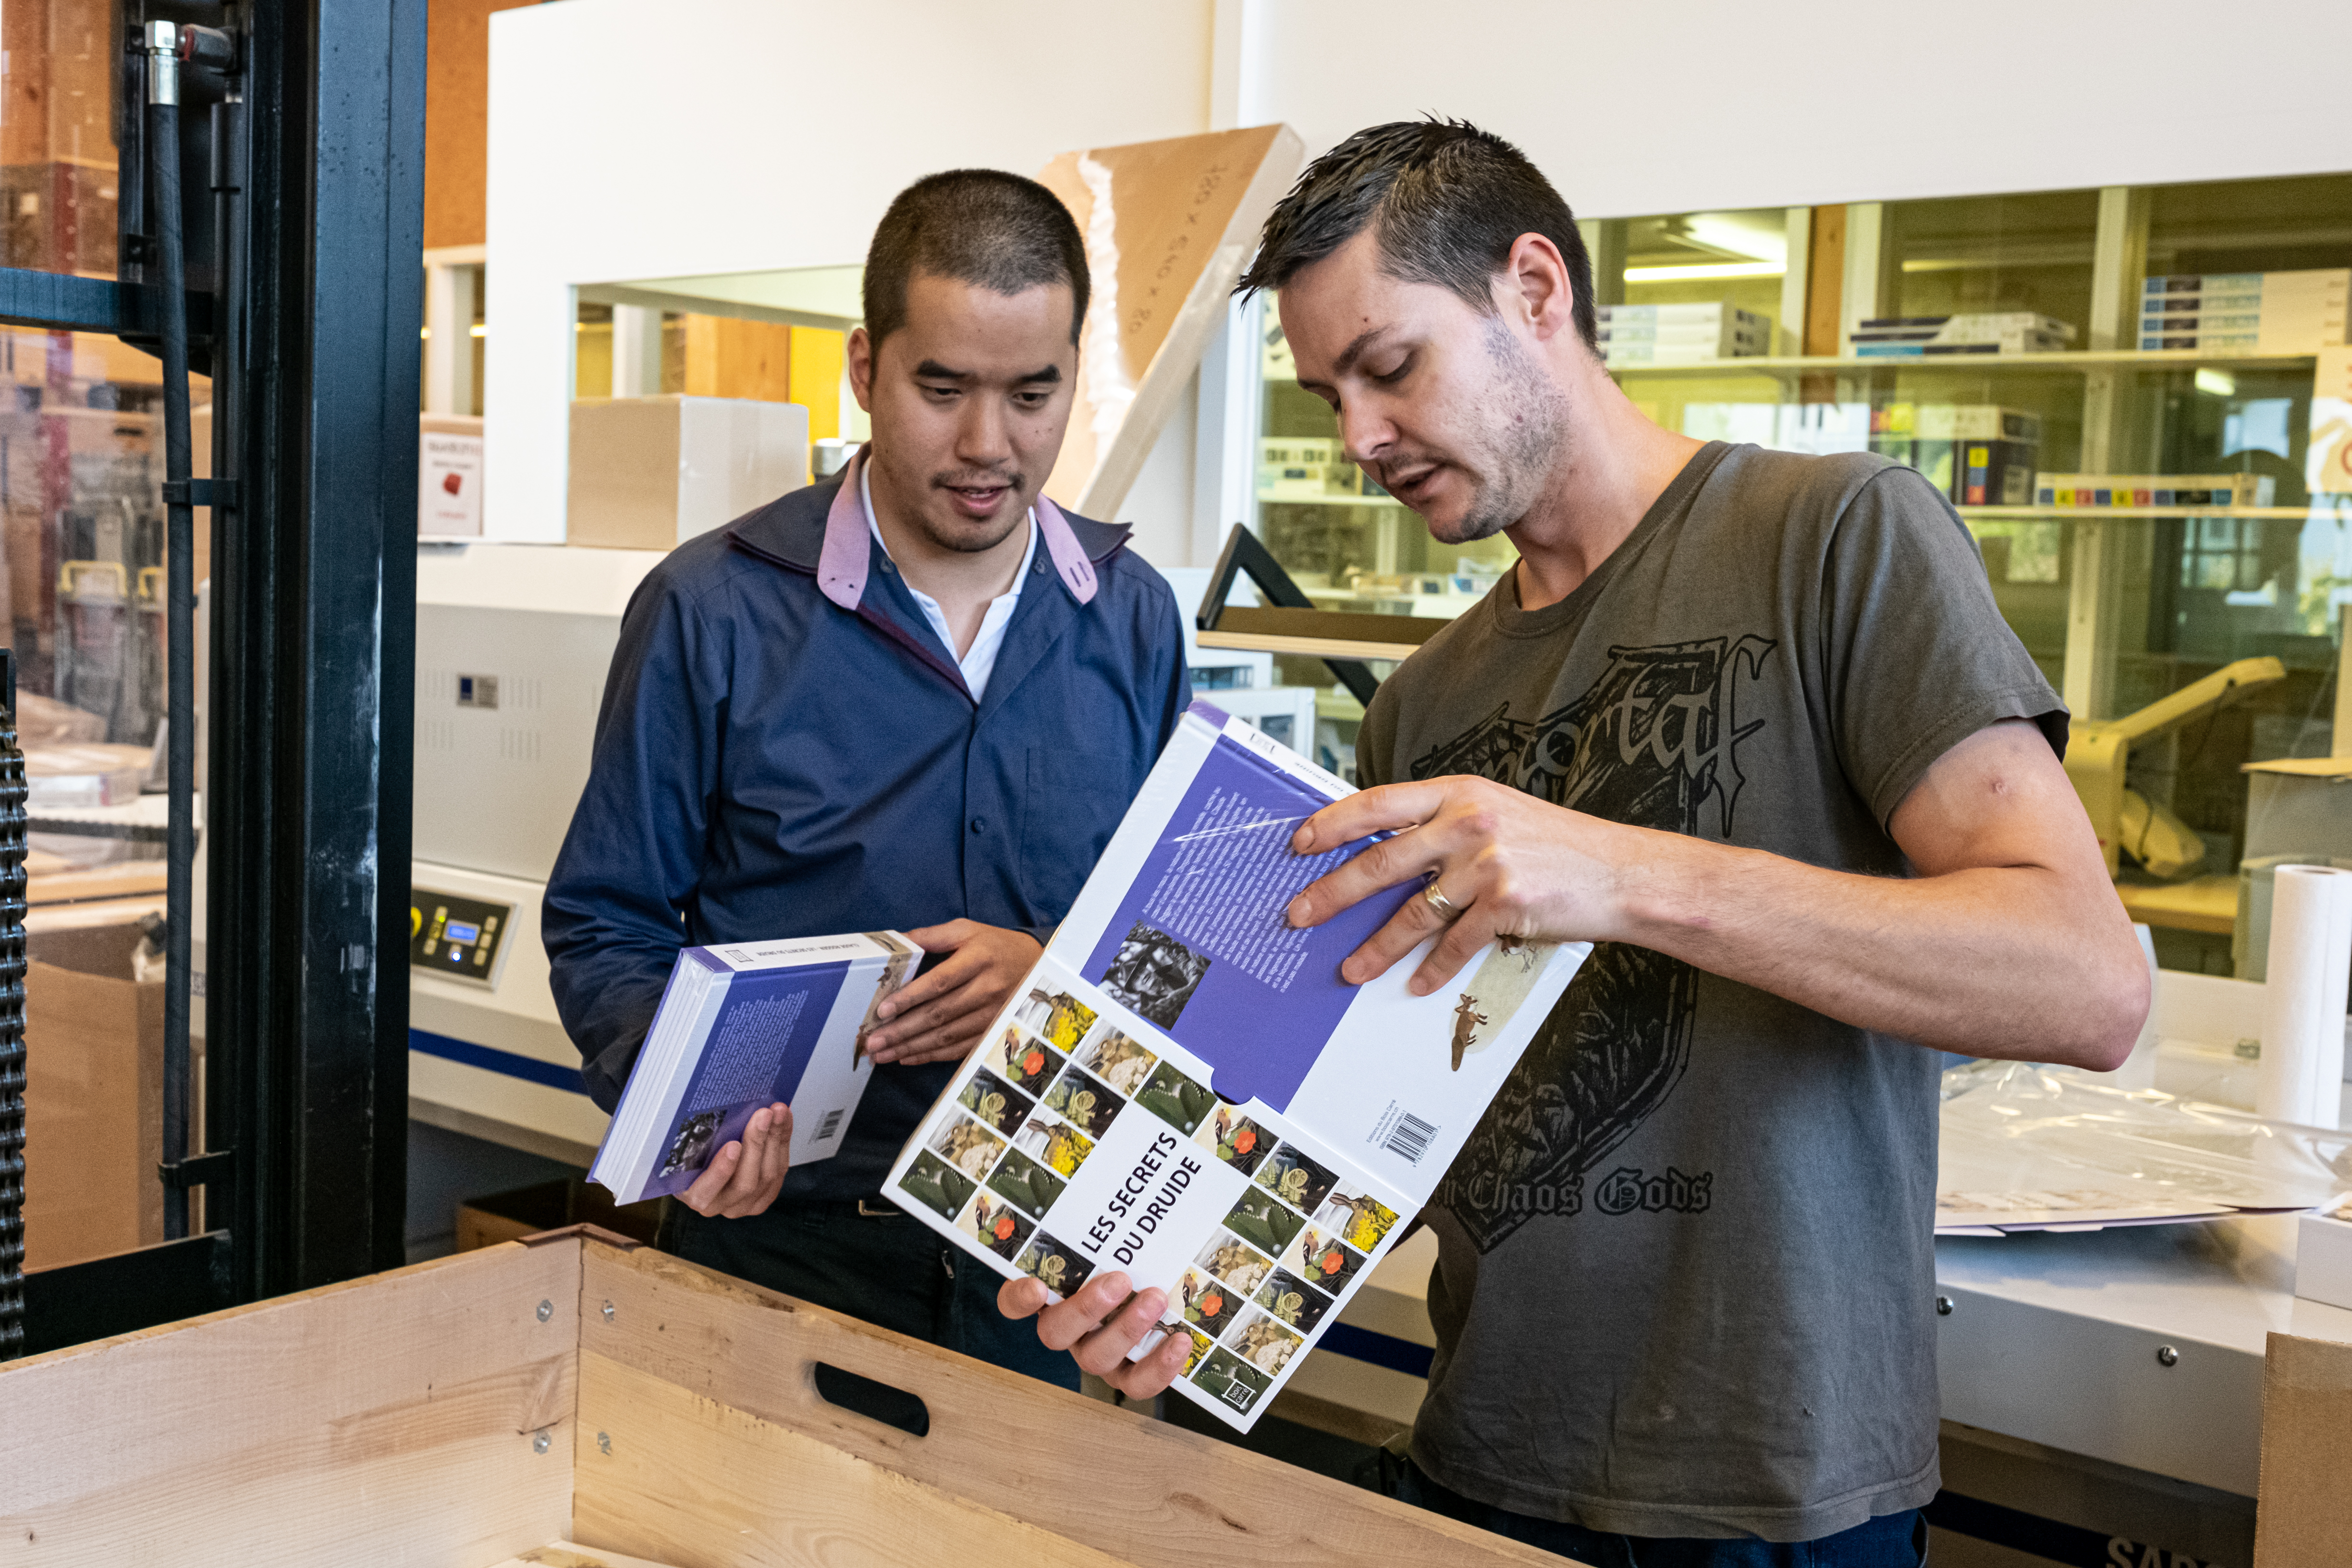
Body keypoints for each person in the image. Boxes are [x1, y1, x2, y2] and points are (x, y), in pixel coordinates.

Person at [999, 120, 2148, 1561]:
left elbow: (2083, 980)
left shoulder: (1838, 539)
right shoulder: (1422, 706)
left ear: (1534, 289)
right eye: (1326, 397)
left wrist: (1620, 873)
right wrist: (1174, 1269)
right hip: (1481, 1462)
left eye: (1391, 365)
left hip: (1767, 1493)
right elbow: (1381, 1113)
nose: (1358, 438)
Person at [546, 169, 1190, 1390]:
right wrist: (692, 1120)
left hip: (1049, 1286)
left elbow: (1182, 942)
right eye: (941, 389)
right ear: (865, 369)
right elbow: (606, 921)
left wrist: (1051, 976)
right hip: (782, 1259)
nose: (988, 444)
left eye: (1032, 394)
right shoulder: (712, 610)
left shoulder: (1135, 620)